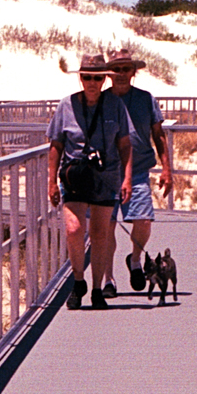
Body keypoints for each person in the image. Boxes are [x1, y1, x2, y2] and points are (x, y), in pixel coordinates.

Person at [47, 60, 131, 308]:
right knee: (74, 229)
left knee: (100, 233)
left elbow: (125, 144)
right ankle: (78, 280)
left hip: (106, 177)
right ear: (80, 78)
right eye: (87, 77)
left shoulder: (115, 105)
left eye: (97, 78)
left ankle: (96, 289)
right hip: (75, 176)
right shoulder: (66, 105)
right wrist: (51, 182)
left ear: (105, 79)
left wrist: (127, 178)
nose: (92, 83)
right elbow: (56, 145)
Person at [100, 53, 173, 295]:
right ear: (109, 73)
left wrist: (166, 168)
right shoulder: (100, 101)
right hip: (106, 172)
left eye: (125, 69)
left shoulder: (145, 99)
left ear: (133, 72)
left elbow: (158, 134)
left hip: (140, 170)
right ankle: (109, 280)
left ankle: (134, 259)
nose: (121, 73)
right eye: (116, 69)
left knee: (143, 220)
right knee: (106, 226)